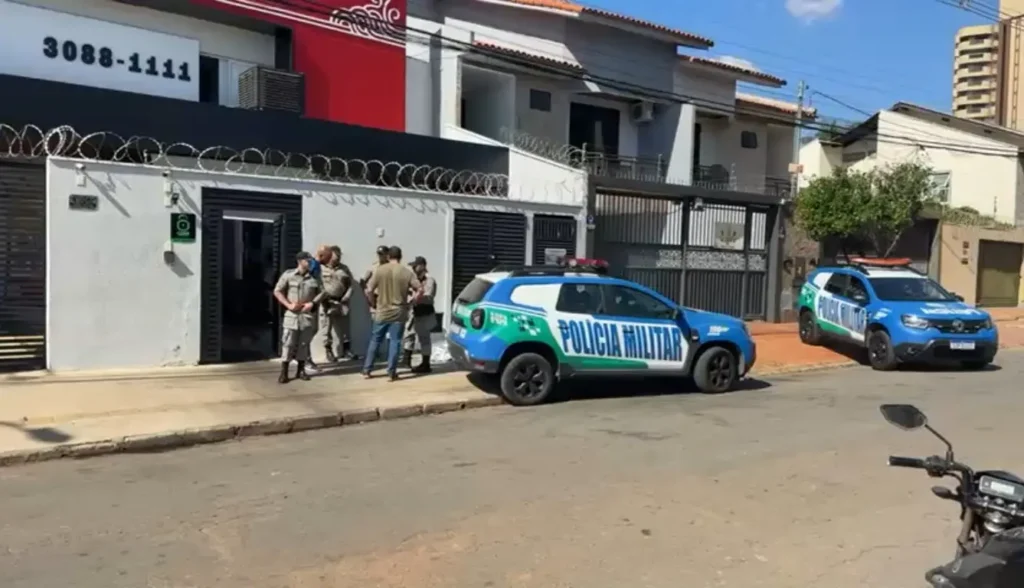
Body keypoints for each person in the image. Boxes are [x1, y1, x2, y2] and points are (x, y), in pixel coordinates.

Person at [362, 246, 422, 381]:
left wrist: (373, 303)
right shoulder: (406, 272)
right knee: (395, 342)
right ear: (400, 257)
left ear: (388, 256)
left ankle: (367, 370)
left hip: (382, 310)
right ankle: (391, 372)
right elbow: (420, 289)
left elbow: (369, 290)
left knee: (375, 340)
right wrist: (412, 301)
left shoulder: (380, 270)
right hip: (399, 312)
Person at [273, 251, 322, 384]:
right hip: (292, 315)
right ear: (300, 261)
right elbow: (277, 291)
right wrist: (288, 305)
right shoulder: (289, 275)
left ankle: (301, 370)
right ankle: (284, 372)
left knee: (303, 344)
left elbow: (322, 292)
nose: (310, 262)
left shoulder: (314, 277)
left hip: (306, 315)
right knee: (288, 344)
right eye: (307, 260)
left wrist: (312, 303)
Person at [319, 245, 355, 362]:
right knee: (326, 327)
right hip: (327, 302)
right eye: (335, 256)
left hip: (341, 301)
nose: (338, 258)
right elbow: (317, 285)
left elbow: (351, 285)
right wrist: (324, 298)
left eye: (339, 256)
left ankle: (346, 350)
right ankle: (328, 351)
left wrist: (346, 297)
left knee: (344, 327)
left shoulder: (344, 269)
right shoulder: (321, 268)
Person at [402, 256, 437, 373]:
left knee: (424, 339)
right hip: (413, 312)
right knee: (408, 335)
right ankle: (406, 361)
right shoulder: (414, 280)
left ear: (422, 266)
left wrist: (416, 298)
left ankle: (426, 364)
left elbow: (429, 296)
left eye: (415, 266)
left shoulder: (429, 280)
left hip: (424, 313)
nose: (413, 268)